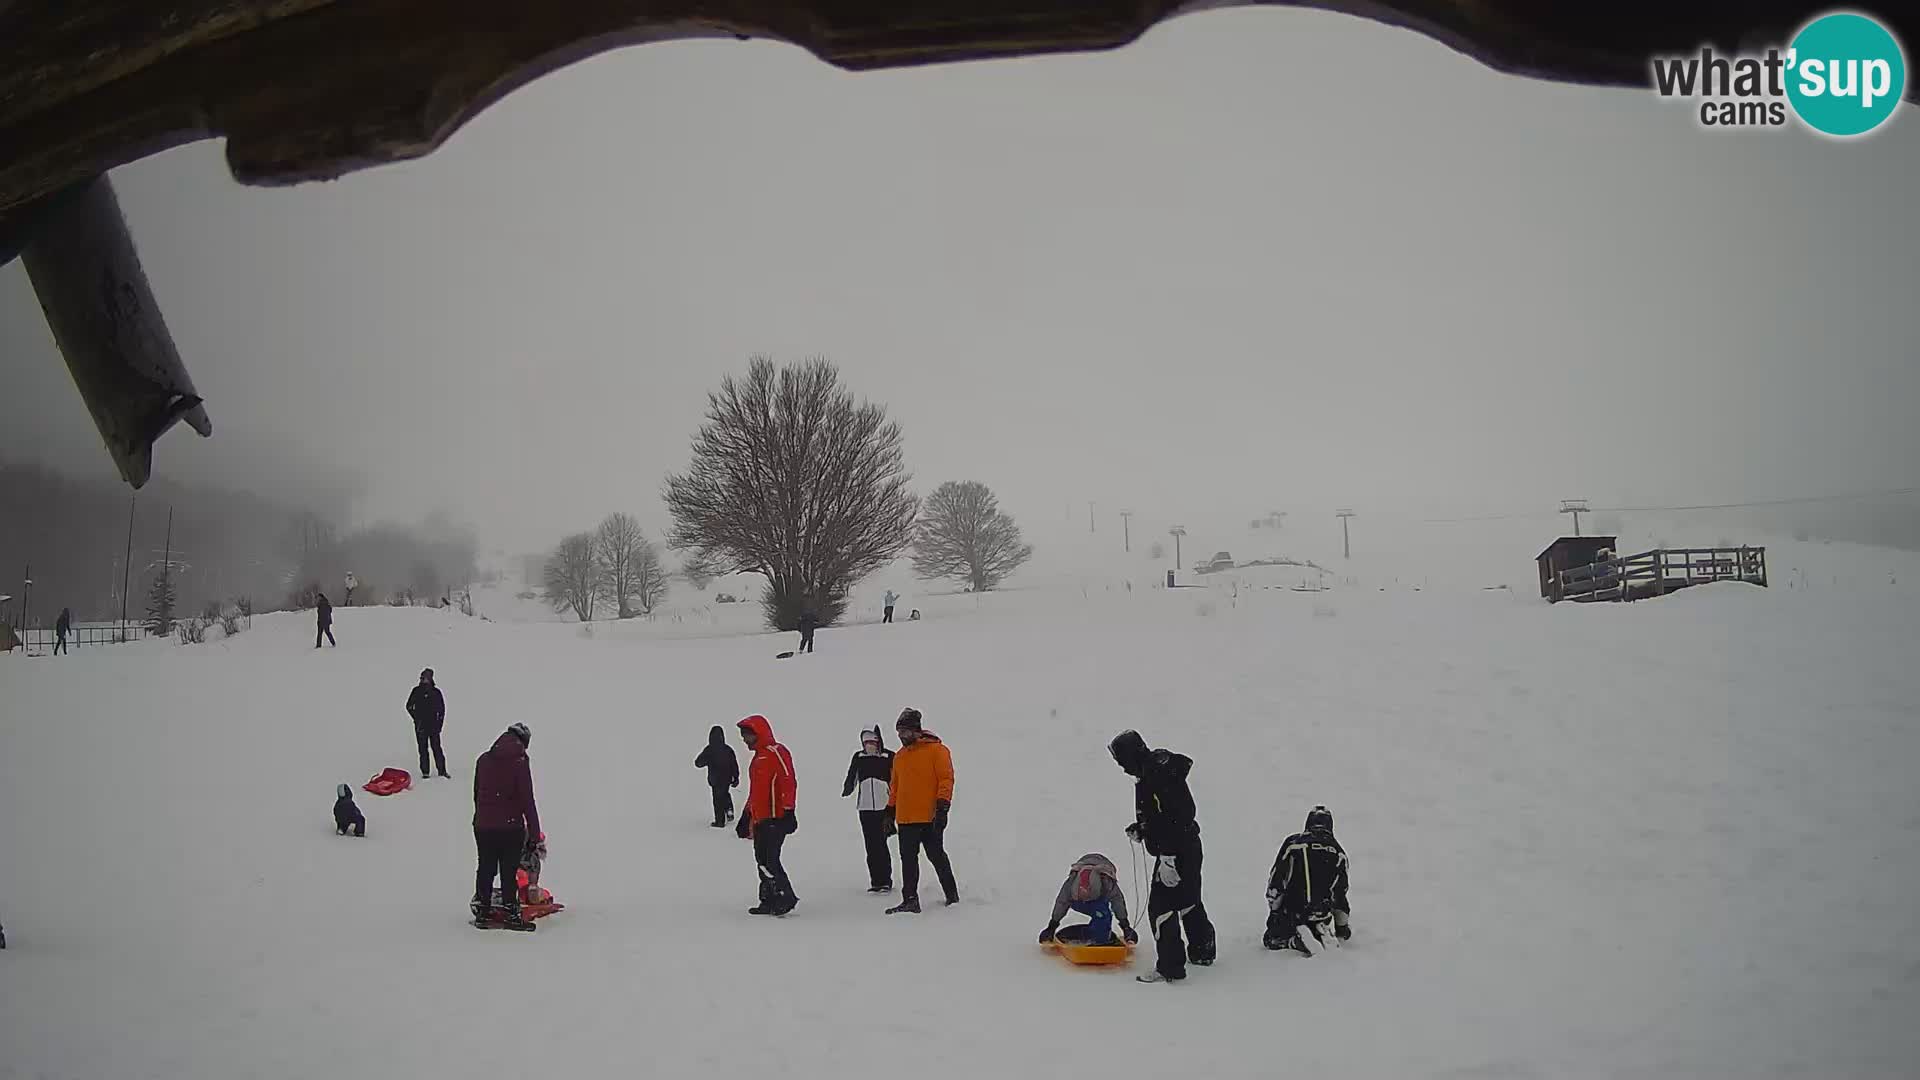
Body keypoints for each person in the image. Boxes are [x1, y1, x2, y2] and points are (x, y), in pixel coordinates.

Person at [1109, 729, 1216, 983]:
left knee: (1161, 908)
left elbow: (1179, 815)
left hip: (1177, 851)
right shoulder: (1153, 771)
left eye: (1122, 762)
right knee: (1188, 898)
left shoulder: (1156, 776)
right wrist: (1143, 830)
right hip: (1187, 846)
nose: (1123, 769)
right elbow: (1161, 816)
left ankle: (1171, 967)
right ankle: (1203, 951)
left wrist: (1167, 856)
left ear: (1132, 755)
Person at [886, 708, 958, 914]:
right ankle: (910, 900)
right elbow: (895, 786)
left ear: (917, 731)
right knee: (907, 860)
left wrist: (943, 806)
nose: (901, 736)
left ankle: (951, 895)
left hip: (930, 817)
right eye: (899, 732)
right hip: (906, 818)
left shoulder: (938, 750)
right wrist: (890, 812)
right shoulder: (899, 757)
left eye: (905, 732)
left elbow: (946, 779)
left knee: (936, 855)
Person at [472, 722, 540, 930]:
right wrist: (534, 834)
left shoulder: (483, 760)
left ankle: (483, 911)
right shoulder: (519, 762)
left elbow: (477, 794)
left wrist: (483, 816)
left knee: (486, 867)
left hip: (483, 825)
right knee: (508, 871)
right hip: (510, 826)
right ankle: (511, 912)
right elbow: (527, 800)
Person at [1264, 805, 1352, 954]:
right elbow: (1340, 893)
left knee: (1270, 940)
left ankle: (1294, 941)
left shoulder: (1294, 843)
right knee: (1319, 914)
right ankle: (1320, 930)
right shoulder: (1339, 853)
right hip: (1322, 911)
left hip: (1293, 910)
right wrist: (1342, 927)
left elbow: (1277, 880)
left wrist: (1274, 913)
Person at [735, 714, 798, 915]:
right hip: (760, 818)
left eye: (747, 735)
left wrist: (789, 810)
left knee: (770, 859)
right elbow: (756, 792)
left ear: (758, 733)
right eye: (743, 735)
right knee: (761, 860)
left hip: (775, 817)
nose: (745, 739)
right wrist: (746, 816)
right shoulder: (757, 759)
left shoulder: (776, 752)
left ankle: (785, 897)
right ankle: (768, 899)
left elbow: (788, 780)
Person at [1038, 853, 1137, 946]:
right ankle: (1093, 935)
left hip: (1099, 900)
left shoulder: (1107, 884)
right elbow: (1062, 903)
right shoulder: (1070, 884)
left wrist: (1126, 927)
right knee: (1101, 914)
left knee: (1102, 914)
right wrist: (1051, 927)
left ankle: (1099, 941)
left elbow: (1118, 902)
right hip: (1076, 900)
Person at [841, 726, 895, 892]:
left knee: (881, 843)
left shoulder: (889, 756)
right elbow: (852, 775)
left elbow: (896, 779)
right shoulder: (859, 757)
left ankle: (885, 879)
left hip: (884, 806)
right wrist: (848, 787)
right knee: (870, 844)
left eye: (872, 741)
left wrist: (895, 801)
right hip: (865, 807)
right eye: (866, 742)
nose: (869, 745)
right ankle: (876, 881)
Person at [406, 667, 450, 779]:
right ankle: (425, 771)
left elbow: (442, 710)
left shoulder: (436, 692)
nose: (424, 680)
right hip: (420, 726)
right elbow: (409, 706)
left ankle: (442, 771)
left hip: (433, 726)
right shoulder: (416, 691)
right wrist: (416, 718)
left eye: (426, 678)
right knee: (423, 749)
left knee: (437, 748)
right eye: (423, 678)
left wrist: (439, 724)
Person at [694, 724, 740, 827]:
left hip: (715, 780)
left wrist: (706, 760)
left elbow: (698, 763)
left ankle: (720, 821)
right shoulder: (728, 749)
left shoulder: (709, 750)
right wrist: (736, 777)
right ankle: (729, 811)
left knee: (717, 799)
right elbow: (734, 764)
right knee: (725, 794)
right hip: (727, 779)